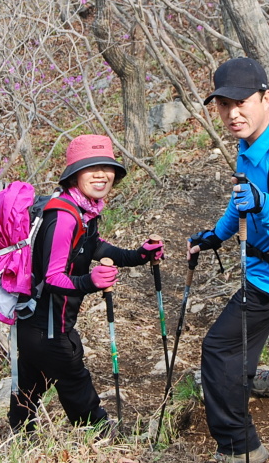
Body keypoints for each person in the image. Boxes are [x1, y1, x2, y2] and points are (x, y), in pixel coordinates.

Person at [188, 57, 269, 463]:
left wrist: (264, 206)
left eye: (241, 102)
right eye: (224, 104)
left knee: (220, 349)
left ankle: (239, 444)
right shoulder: (249, 144)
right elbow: (240, 199)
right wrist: (215, 235)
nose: (232, 113)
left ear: (266, 98)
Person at [8, 134, 164, 433]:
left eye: (107, 168)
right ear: (74, 174)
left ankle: (17, 438)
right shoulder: (64, 216)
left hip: (36, 323)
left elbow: (96, 248)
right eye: (91, 168)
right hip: (47, 327)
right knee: (74, 379)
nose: (101, 174)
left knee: (31, 384)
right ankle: (102, 434)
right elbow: (54, 278)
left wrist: (139, 255)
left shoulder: (84, 211)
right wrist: (90, 281)